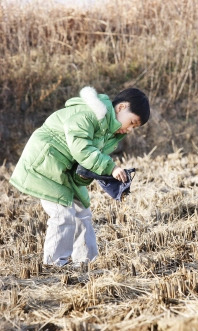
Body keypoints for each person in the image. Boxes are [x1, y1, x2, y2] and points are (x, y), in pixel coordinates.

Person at [9, 86, 150, 267]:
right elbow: (81, 149)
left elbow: (82, 166)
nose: (130, 129)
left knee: (83, 211)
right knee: (63, 215)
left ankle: (86, 263)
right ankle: (54, 266)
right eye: (132, 122)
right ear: (122, 107)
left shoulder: (106, 134)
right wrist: (110, 167)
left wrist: (92, 176)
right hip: (44, 165)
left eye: (134, 127)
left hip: (63, 172)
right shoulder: (88, 114)